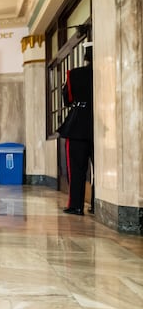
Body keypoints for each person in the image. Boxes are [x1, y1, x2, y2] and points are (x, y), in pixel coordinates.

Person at [58, 44, 94, 216]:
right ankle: (95, 204)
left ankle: (76, 205)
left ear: (85, 57)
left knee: (76, 168)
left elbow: (68, 99)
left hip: (78, 125)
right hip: (99, 125)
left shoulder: (75, 74)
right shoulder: (106, 71)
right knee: (100, 170)